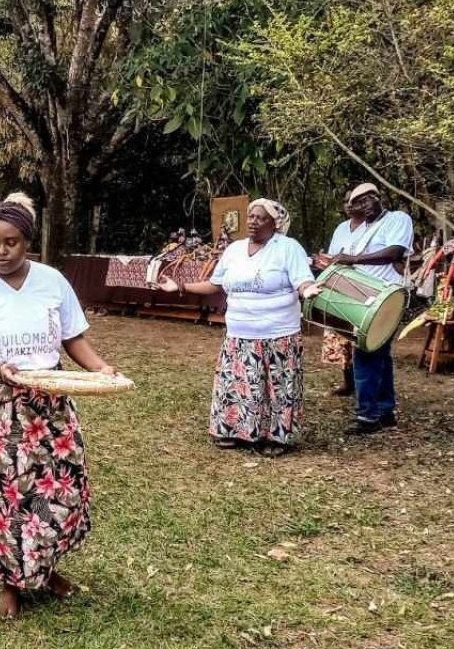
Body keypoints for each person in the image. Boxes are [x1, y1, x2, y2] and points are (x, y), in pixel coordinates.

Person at [0, 193, 116, 619]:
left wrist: (100, 368)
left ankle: (47, 568)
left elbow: (72, 337)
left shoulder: (52, 281)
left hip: (48, 403)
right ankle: (10, 584)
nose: (0, 252)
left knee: (58, 486)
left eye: (12, 242)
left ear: (28, 242)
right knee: (4, 494)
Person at [159, 199, 320, 457]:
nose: (253, 222)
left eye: (260, 218)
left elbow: (302, 279)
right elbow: (215, 284)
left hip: (277, 334)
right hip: (239, 334)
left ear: (275, 223)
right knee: (240, 384)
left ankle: (277, 437)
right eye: (251, 216)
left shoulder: (288, 248)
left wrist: (308, 289)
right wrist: (179, 286)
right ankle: (237, 431)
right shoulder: (234, 249)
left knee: (277, 387)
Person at [314, 183, 414, 435]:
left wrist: (353, 259)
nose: (361, 206)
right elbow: (345, 260)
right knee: (379, 356)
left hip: (384, 298)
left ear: (376, 198)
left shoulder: (397, 219)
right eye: (356, 203)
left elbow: (394, 252)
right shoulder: (361, 230)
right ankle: (384, 411)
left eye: (365, 200)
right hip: (361, 300)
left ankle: (368, 415)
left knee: (366, 355)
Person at [313, 193, 367, 397]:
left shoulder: (372, 227)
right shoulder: (341, 228)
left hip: (363, 288)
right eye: (346, 202)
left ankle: (364, 386)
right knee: (340, 335)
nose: (349, 205)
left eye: (354, 201)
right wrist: (323, 261)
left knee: (358, 338)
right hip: (340, 284)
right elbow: (334, 255)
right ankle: (348, 383)